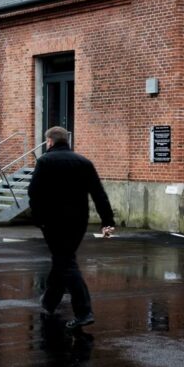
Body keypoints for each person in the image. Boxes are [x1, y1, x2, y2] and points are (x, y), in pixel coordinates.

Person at [28, 125, 115, 329]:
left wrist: (38, 218)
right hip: (78, 222)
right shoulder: (84, 162)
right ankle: (49, 301)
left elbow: (34, 193)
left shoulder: (44, 161)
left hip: (53, 222)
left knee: (66, 262)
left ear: (50, 141)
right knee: (63, 259)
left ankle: (84, 312)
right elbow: (98, 194)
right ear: (67, 141)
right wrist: (107, 222)